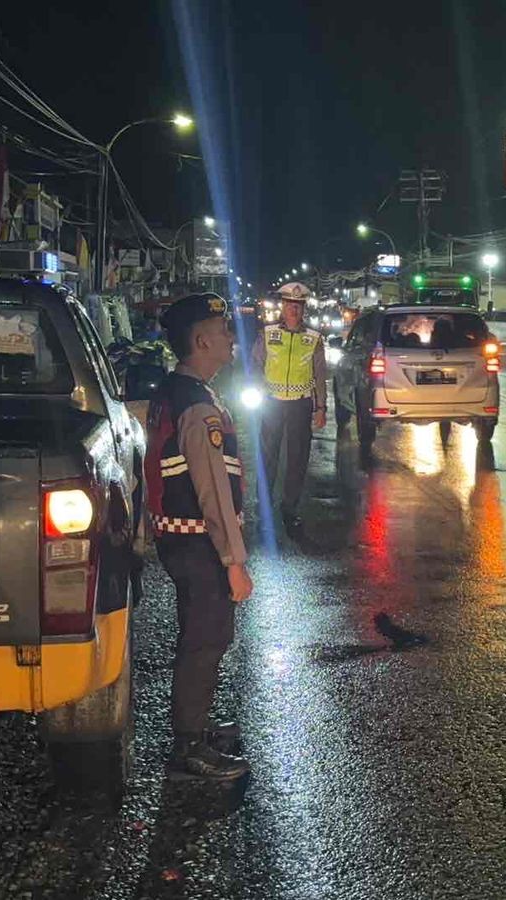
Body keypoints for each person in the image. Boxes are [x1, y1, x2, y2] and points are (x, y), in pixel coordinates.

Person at [145, 292, 254, 780]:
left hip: (182, 538)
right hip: (197, 541)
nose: (232, 339)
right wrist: (234, 560)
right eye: (224, 330)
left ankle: (198, 726)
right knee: (205, 639)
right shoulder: (197, 406)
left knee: (203, 634)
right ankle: (188, 748)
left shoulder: (179, 390)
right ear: (202, 340)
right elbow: (213, 491)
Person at [252, 281, 326, 529]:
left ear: (303, 308)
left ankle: (290, 507)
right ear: (282, 306)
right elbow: (255, 366)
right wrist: (255, 391)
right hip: (271, 403)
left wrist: (321, 408)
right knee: (267, 455)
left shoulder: (313, 338)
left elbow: (319, 374)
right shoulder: (268, 333)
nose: (293, 309)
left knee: (297, 458)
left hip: (300, 404)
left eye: (298, 305)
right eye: (289, 305)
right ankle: (263, 505)